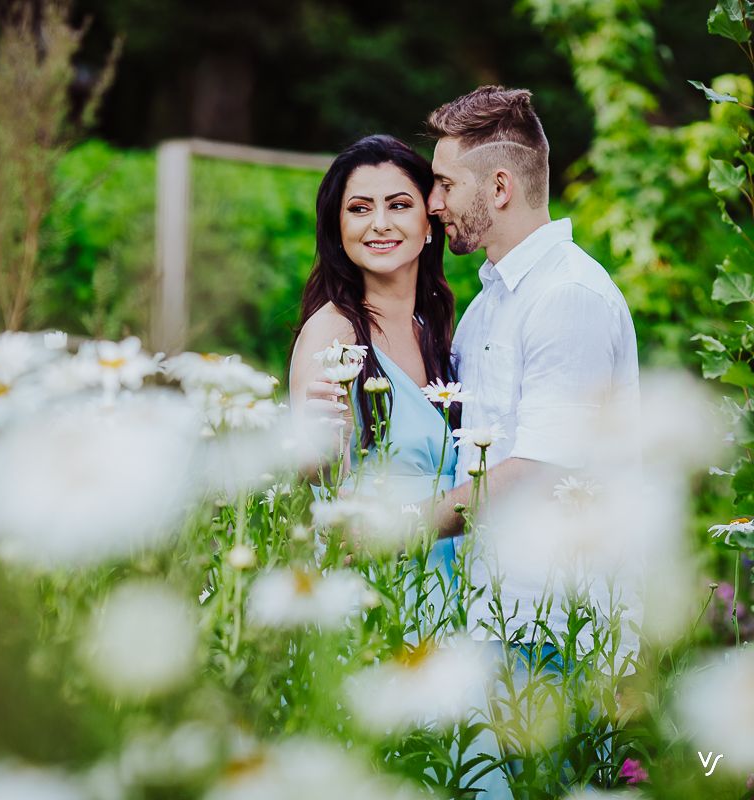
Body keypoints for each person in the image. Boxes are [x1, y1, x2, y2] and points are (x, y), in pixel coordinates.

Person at [424, 85, 641, 798]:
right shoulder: (493, 302)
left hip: (558, 631)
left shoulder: (567, 297)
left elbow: (534, 472)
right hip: (498, 620)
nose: (434, 202)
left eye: (445, 183)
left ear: (501, 185)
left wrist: (395, 529)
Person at [288, 134, 462, 575]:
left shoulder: (435, 329)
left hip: (444, 584)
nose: (380, 223)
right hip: (373, 581)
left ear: (429, 223)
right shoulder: (334, 331)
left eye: (399, 205)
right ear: (337, 228)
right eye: (360, 209)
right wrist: (322, 444)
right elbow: (317, 476)